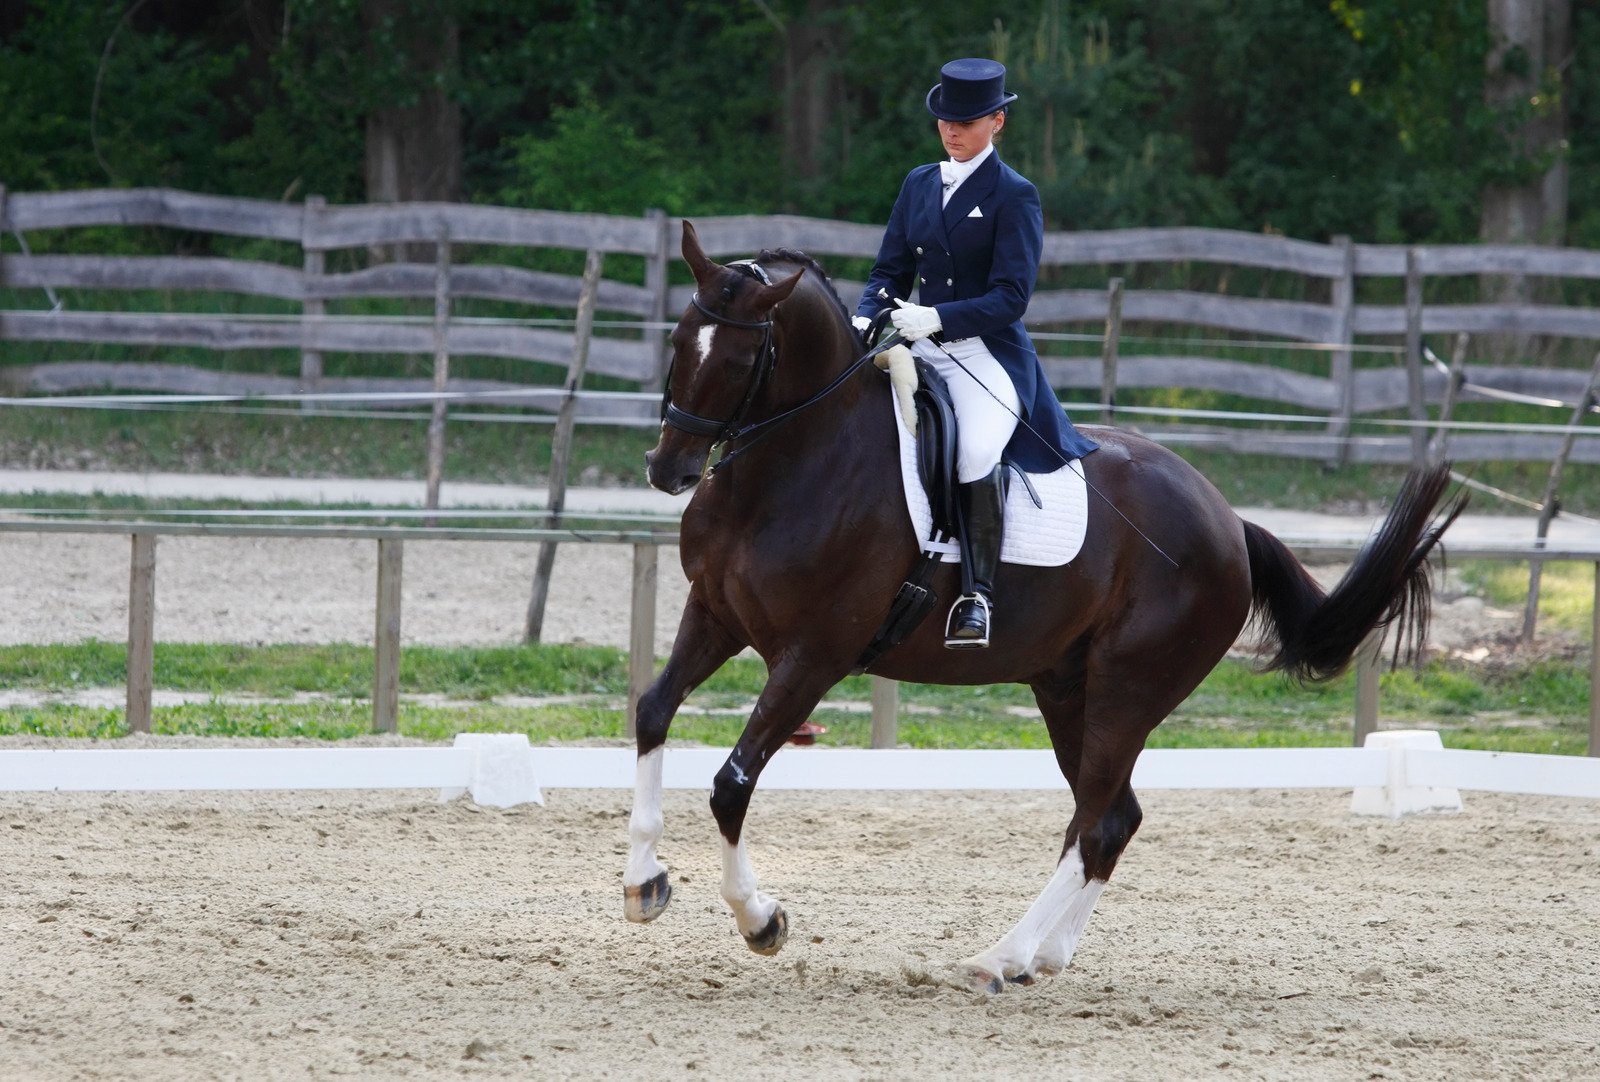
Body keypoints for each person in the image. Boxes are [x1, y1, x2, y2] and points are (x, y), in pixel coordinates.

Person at [854, 57, 1099, 649]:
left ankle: (977, 595)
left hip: (983, 354)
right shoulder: (918, 183)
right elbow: (889, 270)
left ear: (997, 122)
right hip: (913, 343)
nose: (951, 131)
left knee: (975, 451)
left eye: (965, 121)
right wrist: (867, 314)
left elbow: (1011, 297)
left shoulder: (1015, 195)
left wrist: (936, 316)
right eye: (944, 120)